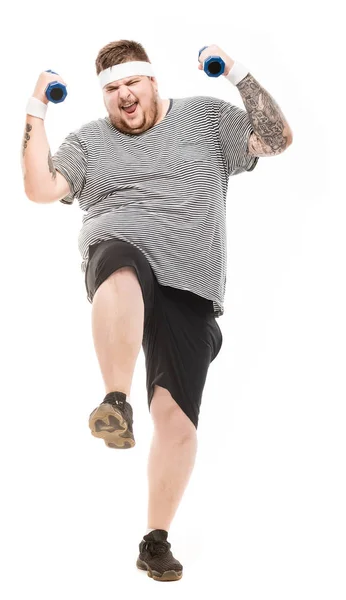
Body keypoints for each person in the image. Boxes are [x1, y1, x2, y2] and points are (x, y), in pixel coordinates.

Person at [21, 39, 293, 582]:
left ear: (151, 82)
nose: (124, 95)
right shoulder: (91, 143)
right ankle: (116, 401)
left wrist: (235, 71)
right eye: (112, 88)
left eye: (131, 83)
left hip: (190, 285)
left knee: (177, 424)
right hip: (119, 252)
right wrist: (36, 108)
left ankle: (155, 540)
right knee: (121, 269)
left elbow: (276, 138)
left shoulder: (204, 117)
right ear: (104, 96)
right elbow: (40, 188)